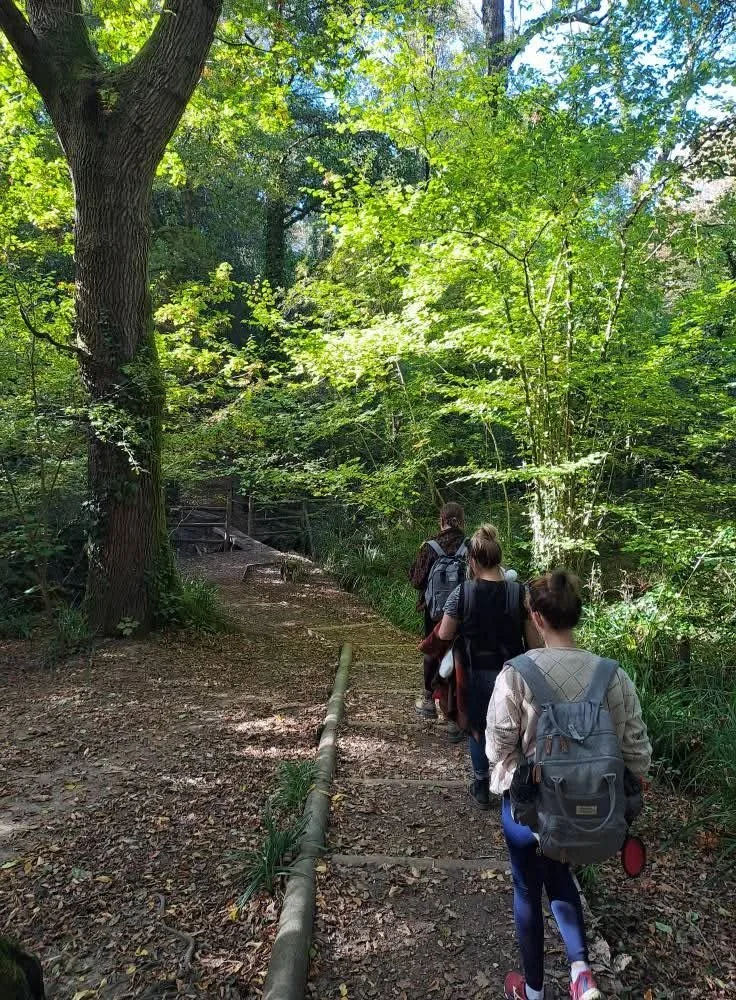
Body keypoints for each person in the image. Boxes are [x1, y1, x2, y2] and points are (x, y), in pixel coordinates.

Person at [486, 570, 652, 1000]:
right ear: (575, 616)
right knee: (560, 874)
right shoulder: (610, 675)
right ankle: (582, 973)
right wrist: (626, 791)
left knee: (528, 885)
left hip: (533, 809)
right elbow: (636, 749)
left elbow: (498, 745)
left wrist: (510, 781)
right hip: (593, 808)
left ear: (537, 618)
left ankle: (534, 990)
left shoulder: (517, 674)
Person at [431, 524, 540, 809]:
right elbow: (534, 643)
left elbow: (443, 634)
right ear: (498, 559)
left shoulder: (462, 593)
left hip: (473, 671)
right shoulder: (519, 593)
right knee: (514, 726)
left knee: (478, 727)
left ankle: (480, 783)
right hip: (512, 673)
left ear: (472, 561)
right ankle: (512, 783)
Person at [409, 502, 467, 720]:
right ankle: (455, 713)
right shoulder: (471, 545)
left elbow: (416, 580)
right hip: (464, 609)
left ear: (441, 521)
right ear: (463, 521)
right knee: (459, 652)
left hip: (434, 611)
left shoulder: (430, 546)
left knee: (434, 649)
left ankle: (427, 700)